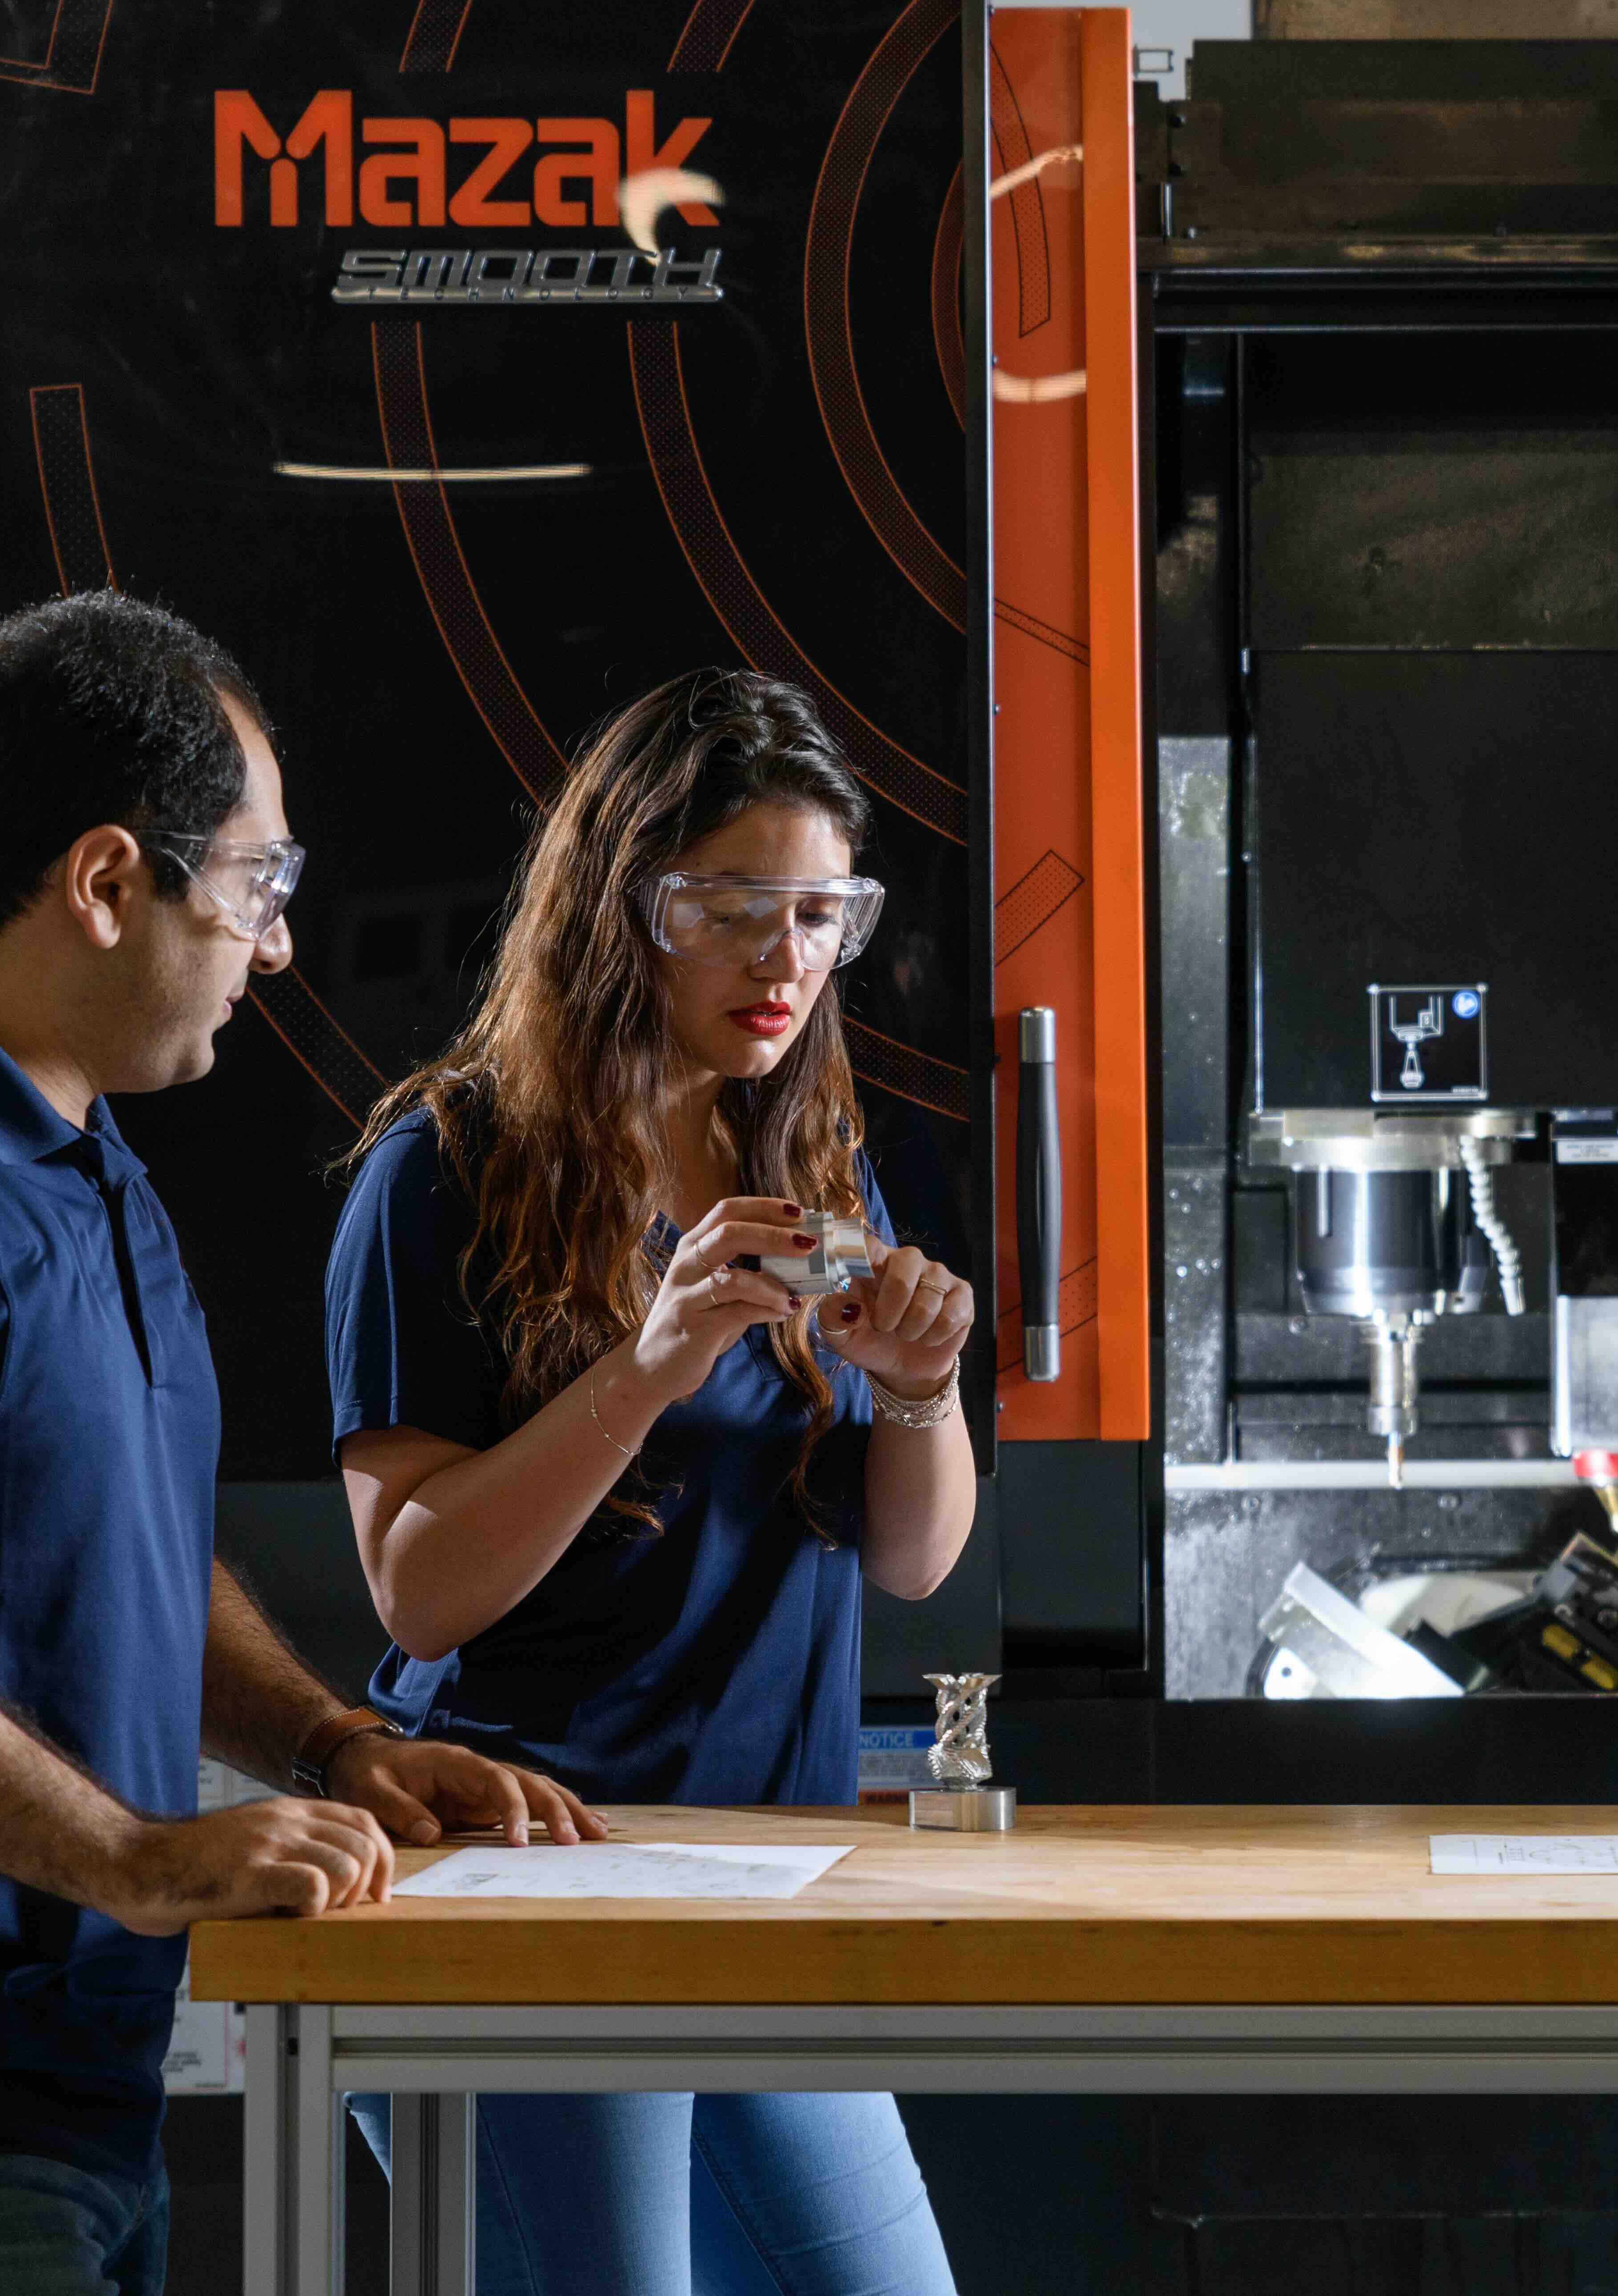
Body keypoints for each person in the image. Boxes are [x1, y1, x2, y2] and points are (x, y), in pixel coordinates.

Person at [0, 591, 595, 2296]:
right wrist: (128, 1856)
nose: (276, 944)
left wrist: (325, 1744)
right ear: (101, 880)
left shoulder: (82, 1162)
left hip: (58, 2086)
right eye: (256, 884)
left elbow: (128, 1551)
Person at [327, 669, 971, 2294]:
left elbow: (912, 1563)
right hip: (541, 1880)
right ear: (623, 909)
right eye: (735, 906)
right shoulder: (443, 1172)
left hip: (765, 1871)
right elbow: (417, 1585)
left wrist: (922, 1391)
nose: (787, 958)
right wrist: (654, 1360)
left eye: (821, 910)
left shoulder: (806, 1155)